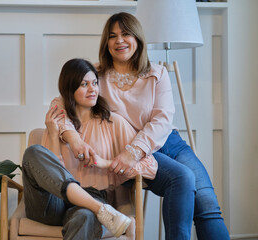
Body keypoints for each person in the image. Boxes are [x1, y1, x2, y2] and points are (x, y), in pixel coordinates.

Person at [54, 12, 230, 240]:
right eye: (112, 36)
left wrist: (133, 151)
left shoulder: (157, 73)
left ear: (137, 38)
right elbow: (60, 103)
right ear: (106, 43)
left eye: (126, 34)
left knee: (207, 204)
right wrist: (74, 139)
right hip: (132, 149)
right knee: (183, 179)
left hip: (168, 143)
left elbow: (162, 119)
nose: (119, 40)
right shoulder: (96, 75)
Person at [22, 58, 157, 240]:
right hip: (52, 201)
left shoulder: (113, 123)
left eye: (94, 83)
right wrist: (54, 135)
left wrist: (106, 163)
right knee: (33, 152)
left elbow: (150, 165)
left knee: (85, 217)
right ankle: (101, 210)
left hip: (91, 197)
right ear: (70, 89)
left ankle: (95, 209)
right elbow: (53, 172)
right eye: (84, 84)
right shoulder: (57, 121)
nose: (92, 89)